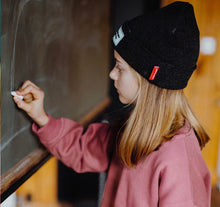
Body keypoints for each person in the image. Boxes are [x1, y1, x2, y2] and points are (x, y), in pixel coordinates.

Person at [13, 1, 211, 207]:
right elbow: (81, 148)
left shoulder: (178, 160)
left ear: (147, 79)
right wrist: (41, 118)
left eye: (120, 67)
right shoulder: (130, 132)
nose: (112, 73)